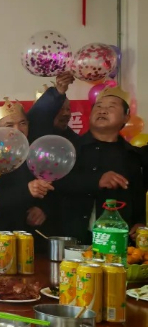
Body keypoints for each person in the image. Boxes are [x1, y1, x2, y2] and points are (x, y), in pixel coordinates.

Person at [54, 86, 146, 243]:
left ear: (126, 117)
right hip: (73, 238)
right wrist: (96, 180)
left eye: (111, 107)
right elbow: (55, 183)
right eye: (98, 106)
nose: (102, 111)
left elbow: (137, 194)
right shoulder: (69, 148)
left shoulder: (132, 155)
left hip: (116, 241)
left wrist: (140, 222)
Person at [0, 98, 50, 252]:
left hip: (30, 235)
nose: (17, 129)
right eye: (9, 125)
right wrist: (26, 191)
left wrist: (42, 209)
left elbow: (53, 192)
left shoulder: (37, 153)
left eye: (22, 123)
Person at [28, 72, 78, 144]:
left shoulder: (73, 139)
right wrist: (58, 92)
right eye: (60, 109)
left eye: (68, 109)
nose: (66, 113)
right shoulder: (32, 135)